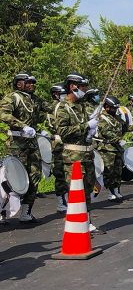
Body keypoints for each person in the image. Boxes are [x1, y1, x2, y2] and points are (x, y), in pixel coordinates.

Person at [55, 73, 103, 234]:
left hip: (87, 155)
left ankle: (87, 221)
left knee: (88, 190)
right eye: (82, 87)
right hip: (73, 157)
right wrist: (86, 126)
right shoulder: (63, 107)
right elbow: (63, 132)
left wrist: (91, 131)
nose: (85, 89)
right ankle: (76, 224)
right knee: (77, 191)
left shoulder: (82, 106)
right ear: (72, 86)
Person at [0, 73, 44, 223]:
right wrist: (22, 125)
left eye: (33, 82)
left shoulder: (35, 99)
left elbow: (50, 110)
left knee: (34, 176)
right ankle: (2, 211)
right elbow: (3, 114)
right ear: (19, 84)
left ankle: (26, 212)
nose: (32, 85)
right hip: (16, 143)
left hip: (31, 143)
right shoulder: (12, 97)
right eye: (29, 82)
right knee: (12, 179)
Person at [96, 96, 133, 202]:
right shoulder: (102, 118)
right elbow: (106, 132)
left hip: (117, 148)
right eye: (113, 108)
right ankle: (111, 192)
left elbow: (125, 127)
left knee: (118, 171)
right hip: (107, 149)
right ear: (106, 107)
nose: (115, 110)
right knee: (109, 172)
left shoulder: (117, 117)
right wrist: (118, 139)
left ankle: (117, 190)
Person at [46, 84, 69, 212]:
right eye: (62, 94)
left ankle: (68, 198)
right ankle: (61, 200)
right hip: (58, 145)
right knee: (60, 173)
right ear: (55, 94)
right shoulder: (52, 109)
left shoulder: (66, 107)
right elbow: (51, 125)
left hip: (68, 144)